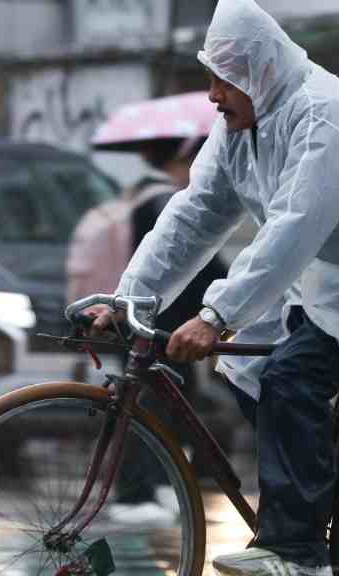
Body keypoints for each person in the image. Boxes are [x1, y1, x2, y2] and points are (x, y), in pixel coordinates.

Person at [88, 0, 339, 576]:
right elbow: (194, 216)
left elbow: (294, 227)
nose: (211, 95)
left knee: (289, 375)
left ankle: (298, 554)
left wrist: (215, 315)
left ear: (259, 72)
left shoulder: (326, 117)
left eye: (221, 79)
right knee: (245, 368)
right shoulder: (243, 127)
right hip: (321, 276)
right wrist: (128, 300)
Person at [68, 136, 227, 524]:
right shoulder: (165, 202)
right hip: (163, 325)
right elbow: (190, 263)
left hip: (141, 320)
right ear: (185, 159)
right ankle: (137, 494)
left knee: (158, 406)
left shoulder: (136, 196)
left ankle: (156, 486)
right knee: (149, 408)